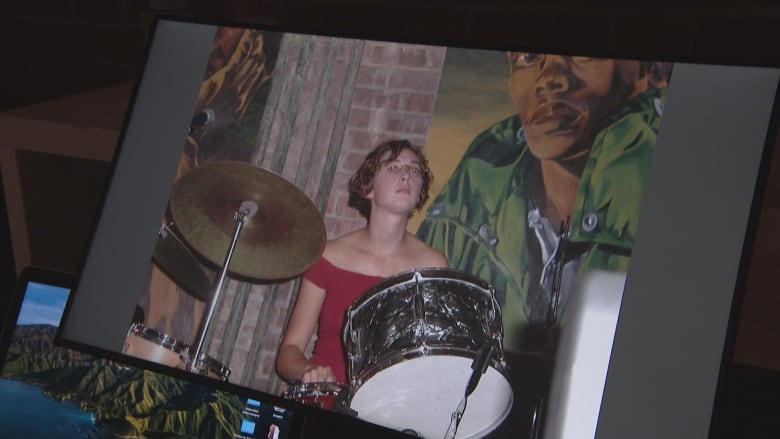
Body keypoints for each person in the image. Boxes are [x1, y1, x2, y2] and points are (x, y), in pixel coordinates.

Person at [417, 53, 672, 353]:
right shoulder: (470, 199)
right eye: (528, 58)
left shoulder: (673, 212)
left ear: (654, 73)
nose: (550, 79)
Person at [276, 139, 450, 385]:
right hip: (330, 397)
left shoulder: (434, 266)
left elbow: (435, 357)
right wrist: (307, 370)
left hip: (393, 407)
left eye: (413, 169)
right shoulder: (328, 256)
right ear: (369, 188)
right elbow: (288, 352)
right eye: (393, 167)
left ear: (421, 191)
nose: (406, 176)